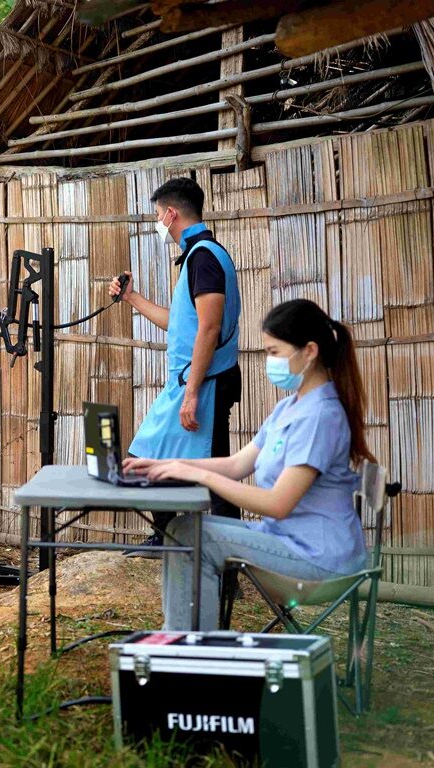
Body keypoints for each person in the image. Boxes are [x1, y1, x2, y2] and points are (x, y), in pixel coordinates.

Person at [124, 299, 375, 630]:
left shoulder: (321, 416)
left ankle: (191, 650)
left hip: (319, 559)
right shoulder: (290, 407)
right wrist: (166, 462)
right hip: (286, 541)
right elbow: (238, 464)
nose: (267, 361)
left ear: (310, 351)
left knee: (194, 538)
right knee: (183, 530)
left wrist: (197, 474)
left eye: (274, 352)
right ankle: (190, 646)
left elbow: (278, 504)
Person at [108, 177, 242, 557]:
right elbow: (180, 323)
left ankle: (224, 551)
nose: (158, 222)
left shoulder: (204, 257)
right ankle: (167, 535)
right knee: (159, 453)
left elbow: (210, 328)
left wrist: (193, 392)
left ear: (171, 213)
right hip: (192, 380)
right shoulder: (199, 256)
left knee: (211, 471)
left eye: (157, 215)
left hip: (205, 382)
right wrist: (132, 298)